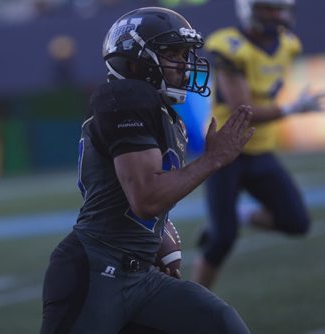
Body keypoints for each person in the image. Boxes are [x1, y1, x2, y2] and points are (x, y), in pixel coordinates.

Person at [40, 7, 254, 334]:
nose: (184, 65)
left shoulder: (167, 117)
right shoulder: (126, 97)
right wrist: (213, 159)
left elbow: (136, 202)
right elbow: (146, 198)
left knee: (221, 324)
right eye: (173, 54)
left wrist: (156, 237)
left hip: (140, 274)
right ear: (137, 59)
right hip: (96, 272)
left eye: (185, 54)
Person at [191, 0, 325, 289]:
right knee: (221, 239)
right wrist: (291, 110)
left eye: (278, 9)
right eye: (267, 8)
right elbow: (244, 111)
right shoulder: (229, 45)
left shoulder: (288, 44)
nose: (275, 15)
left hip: (260, 148)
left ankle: (240, 215)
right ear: (250, 9)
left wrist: (289, 108)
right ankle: (193, 303)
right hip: (225, 151)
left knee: (296, 222)